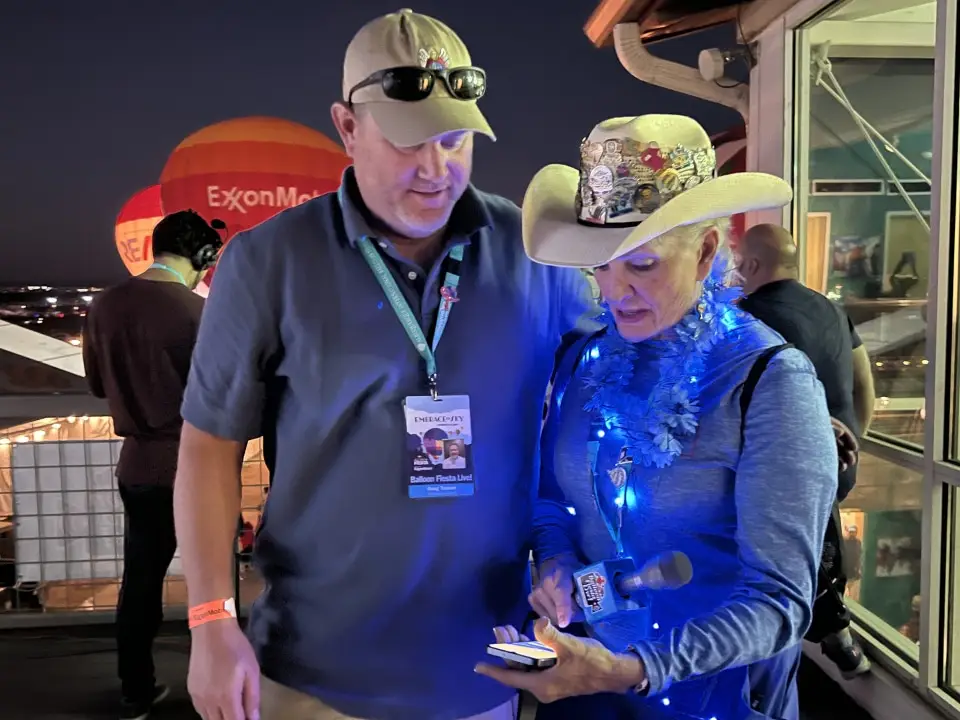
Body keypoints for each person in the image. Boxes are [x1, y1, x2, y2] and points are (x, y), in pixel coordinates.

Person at [174, 9, 593, 720]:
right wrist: (211, 619)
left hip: (488, 672)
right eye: (408, 142)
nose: (436, 169)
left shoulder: (536, 253)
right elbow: (209, 448)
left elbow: (616, 390)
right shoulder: (268, 261)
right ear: (347, 126)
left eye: (456, 139)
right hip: (311, 677)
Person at [474, 115, 837, 720]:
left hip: (711, 701)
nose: (614, 293)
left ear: (706, 252)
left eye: (641, 265)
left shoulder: (770, 381)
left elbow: (780, 601)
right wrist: (558, 565)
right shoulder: (582, 359)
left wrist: (637, 669)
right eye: (600, 265)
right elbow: (550, 502)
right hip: (585, 692)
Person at [82, 209, 224, 720]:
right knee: (215, 587)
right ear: (204, 257)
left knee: (139, 582)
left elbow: (99, 385)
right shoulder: (198, 313)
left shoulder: (102, 305)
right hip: (195, 467)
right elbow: (222, 398)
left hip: (136, 466)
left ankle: (135, 691)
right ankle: (222, 688)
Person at [735, 223, 875, 678]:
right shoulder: (833, 311)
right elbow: (863, 385)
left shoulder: (746, 318)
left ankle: (786, 652)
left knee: (775, 561)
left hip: (785, 470)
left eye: (740, 263)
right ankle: (835, 635)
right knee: (816, 542)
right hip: (837, 463)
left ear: (752, 265)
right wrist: (853, 439)